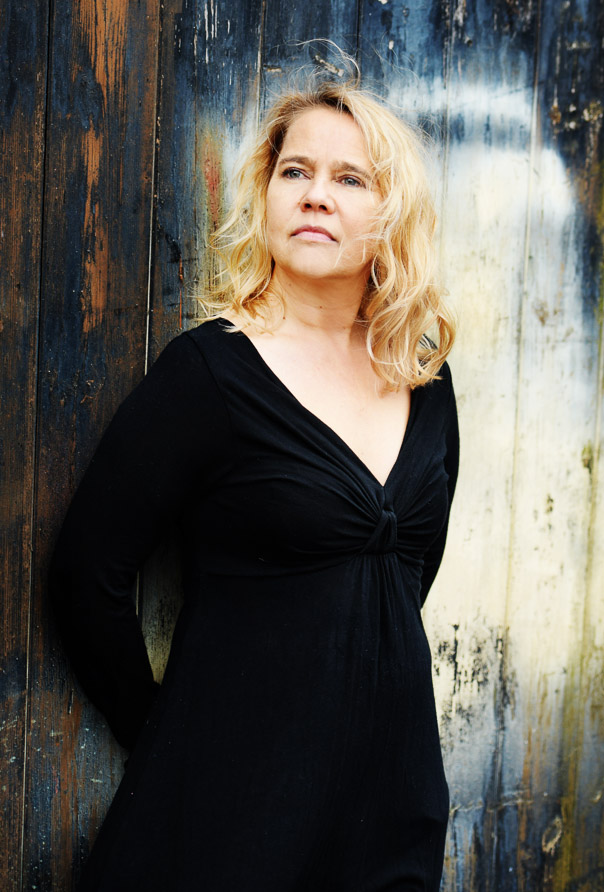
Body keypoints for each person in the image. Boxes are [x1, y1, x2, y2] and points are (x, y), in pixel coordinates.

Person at [50, 77, 458, 892]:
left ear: (393, 214)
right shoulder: (207, 374)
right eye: (295, 171)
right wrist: (171, 737)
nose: (315, 195)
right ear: (266, 195)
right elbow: (85, 577)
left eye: (350, 178)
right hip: (233, 808)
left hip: (392, 801)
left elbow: (409, 572)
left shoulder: (426, 378)